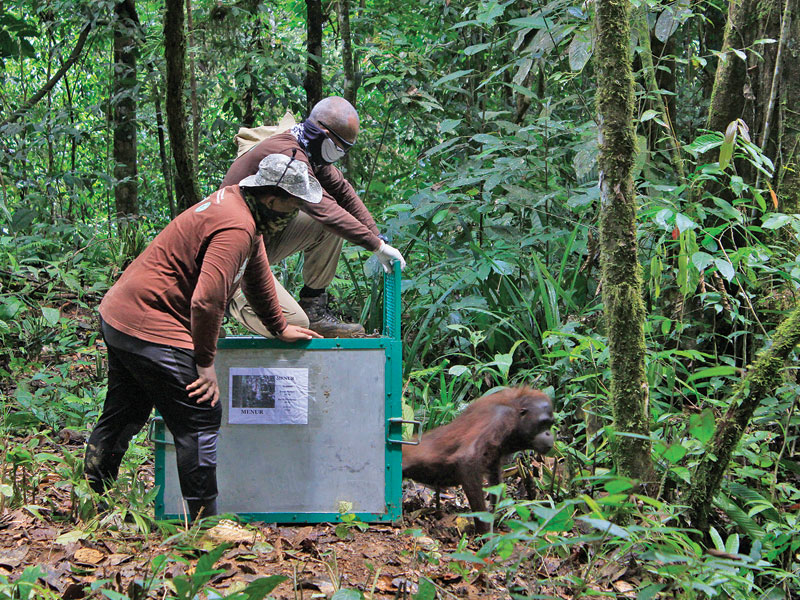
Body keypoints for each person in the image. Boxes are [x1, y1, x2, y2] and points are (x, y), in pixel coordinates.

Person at [85, 154, 323, 521]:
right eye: (294, 202)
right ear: (272, 199)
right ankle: (204, 525)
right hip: (151, 319)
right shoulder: (236, 226)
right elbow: (207, 300)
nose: (297, 210)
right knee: (200, 413)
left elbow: (255, 274)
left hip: (121, 314)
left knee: (125, 411)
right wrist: (204, 363)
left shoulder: (240, 208)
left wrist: (279, 325)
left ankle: (91, 499)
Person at [220, 96, 406, 338]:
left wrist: (377, 236)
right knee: (293, 323)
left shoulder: (307, 150)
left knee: (326, 227)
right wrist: (376, 246)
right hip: (231, 254)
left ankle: (315, 307)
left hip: (258, 245)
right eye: (338, 149)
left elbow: (343, 193)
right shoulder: (288, 156)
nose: (339, 156)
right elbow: (324, 208)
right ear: (322, 134)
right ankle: (224, 298)